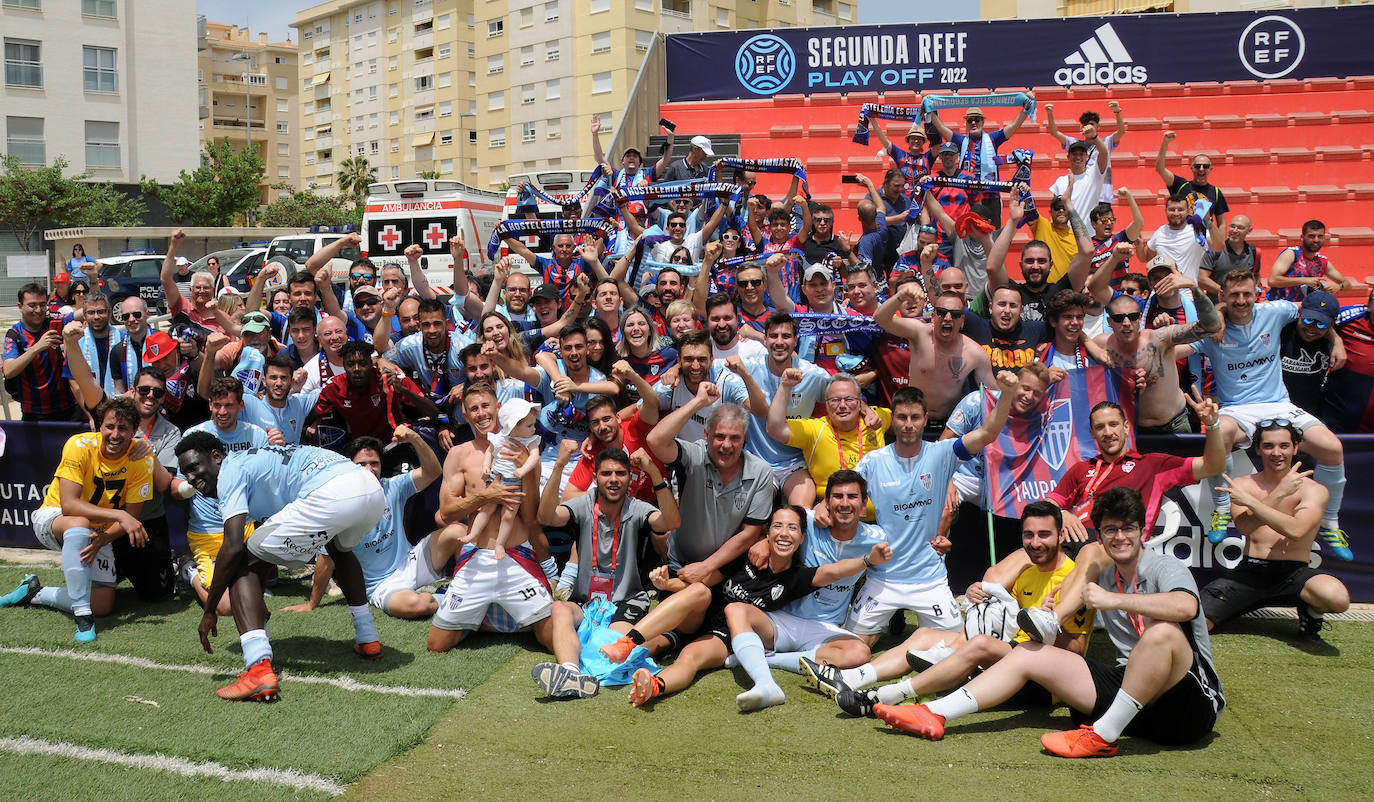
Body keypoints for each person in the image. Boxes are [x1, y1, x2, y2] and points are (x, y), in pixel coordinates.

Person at [874, 487, 1225, 759]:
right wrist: (1052, 606)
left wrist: (1115, 600)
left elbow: (1186, 605)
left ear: (1142, 532)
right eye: (1110, 529)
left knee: (1162, 632)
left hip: (1186, 708)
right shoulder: (1102, 572)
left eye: (1128, 528)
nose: (1120, 537)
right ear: (1100, 535)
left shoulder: (1164, 567)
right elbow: (1071, 565)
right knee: (1029, 651)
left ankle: (1102, 737)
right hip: (1130, 699)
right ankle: (933, 712)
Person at [601, 504, 891, 711]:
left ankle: (653, 687)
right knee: (700, 592)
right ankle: (628, 642)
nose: (784, 533)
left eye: (792, 528)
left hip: (721, 635)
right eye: (777, 526)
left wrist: (867, 561)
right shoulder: (747, 557)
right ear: (767, 533)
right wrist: (667, 586)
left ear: (802, 538)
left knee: (690, 658)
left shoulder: (797, 577)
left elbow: (836, 571)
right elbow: (703, 583)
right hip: (694, 613)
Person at [826, 500, 1093, 717]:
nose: (1035, 543)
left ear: (1060, 535)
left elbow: (1077, 649)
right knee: (925, 635)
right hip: (1006, 658)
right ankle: (851, 677)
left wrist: (1045, 628)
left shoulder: (1072, 579)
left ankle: (888, 695)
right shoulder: (1027, 572)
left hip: (1043, 682)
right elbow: (1004, 616)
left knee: (980, 644)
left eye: (1044, 535)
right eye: (1029, 535)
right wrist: (979, 595)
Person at [176, 434, 388, 701]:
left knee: (239, 563)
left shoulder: (231, 472)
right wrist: (254, 595)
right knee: (340, 549)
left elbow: (232, 548)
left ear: (217, 456)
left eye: (194, 468)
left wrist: (209, 610)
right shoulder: (254, 464)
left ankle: (258, 670)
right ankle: (368, 639)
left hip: (333, 492)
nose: (192, 479)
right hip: (369, 490)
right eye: (186, 473)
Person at [837, 378, 1019, 644]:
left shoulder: (942, 453)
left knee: (955, 648)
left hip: (929, 578)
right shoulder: (873, 462)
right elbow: (842, 493)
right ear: (893, 420)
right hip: (885, 577)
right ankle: (890, 614)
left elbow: (987, 433)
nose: (908, 424)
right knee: (854, 648)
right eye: (901, 417)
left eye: (914, 417)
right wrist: (820, 508)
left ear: (925, 419)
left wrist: (1009, 393)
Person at [1188, 270, 1350, 560]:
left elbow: (1315, 310)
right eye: (1234, 295)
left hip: (1278, 403)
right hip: (1237, 409)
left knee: (1332, 448)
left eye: (1247, 294)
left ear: (1257, 294)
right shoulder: (1211, 329)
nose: (1241, 300)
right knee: (1219, 433)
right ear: (1222, 296)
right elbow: (1175, 347)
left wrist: (1335, 339)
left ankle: (1330, 521)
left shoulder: (1275, 311)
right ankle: (1222, 508)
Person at [2, 398, 152, 642]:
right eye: (109, 426)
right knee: (79, 522)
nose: (115, 434)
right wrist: (118, 514)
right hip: (54, 518)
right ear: (98, 426)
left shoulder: (142, 460)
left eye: (123, 428)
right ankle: (83, 618)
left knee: (103, 605)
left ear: (134, 432)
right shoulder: (79, 445)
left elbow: (132, 517)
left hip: (97, 531)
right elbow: (69, 505)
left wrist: (103, 539)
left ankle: (35, 592)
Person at [1203, 421, 1350, 640]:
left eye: (1284, 445)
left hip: (1294, 573)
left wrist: (1254, 504)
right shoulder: (1243, 485)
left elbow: (1296, 530)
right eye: (1269, 446)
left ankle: (1311, 612)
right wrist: (1280, 494)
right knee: (1195, 622)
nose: (1277, 453)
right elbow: (1245, 526)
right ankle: (1235, 607)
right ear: (1259, 449)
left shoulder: (1315, 490)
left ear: (1295, 448)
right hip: (1249, 573)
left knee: (1337, 598)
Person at [283, 426, 446, 620]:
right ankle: (449, 596)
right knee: (415, 605)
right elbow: (326, 559)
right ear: (348, 467)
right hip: (382, 585)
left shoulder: (392, 486)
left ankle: (470, 586)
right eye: (362, 464)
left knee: (455, 532)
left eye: (374, 463)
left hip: (411, 562)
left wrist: (415, 439)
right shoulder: (339, 506)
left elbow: (433, 471)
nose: (369, 470)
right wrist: (312, 603)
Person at [539, 444, 680, 652]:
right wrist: (559, 464)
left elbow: (671, 522)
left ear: (629, 478)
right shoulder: (584, 504)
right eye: (606, 473)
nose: (613, 479)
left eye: (620, 473)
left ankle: (659, 641)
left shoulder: (637, 508)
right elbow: (546, 517)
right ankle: (570, 672)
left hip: (627, 600)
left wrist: (653, 471)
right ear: (595, 479)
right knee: (558, 610)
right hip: (585, 601)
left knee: (609, 643)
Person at [1045, 398, 1226, 544]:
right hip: (1069, 543)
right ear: (1092, 433)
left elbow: (1213, 466)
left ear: (1125, 427)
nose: (1108, 432)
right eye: (1100, 427)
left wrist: (1212, 426)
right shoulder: (1081, 469)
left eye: (1113, 424)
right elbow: (1048, 504)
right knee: (1022, 556)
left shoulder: (1152, 465)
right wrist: (1061, 514)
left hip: (1115, 547)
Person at [648, 394, 777, 586]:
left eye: (735, 438)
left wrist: (706, 567)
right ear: (706, 435)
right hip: (679, 565)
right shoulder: (693, 455)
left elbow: (749, 534)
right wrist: (698, 401)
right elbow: (655, 440)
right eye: (719, 436)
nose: (727, 445)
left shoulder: (760, 472)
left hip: (723, 571)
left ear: (744, 439)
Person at [1088, 258, 1222, 432]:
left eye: (1133, 317)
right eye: (1119, 318)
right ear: (1109, 321)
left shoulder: (1161, 336)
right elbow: (1074, 336)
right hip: (1130, 427)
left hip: (1175, 424)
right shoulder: (1100, 343)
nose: (1127, 323)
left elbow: (1212, 326)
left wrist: (1193, 287)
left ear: (1139, 317)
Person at [875, 285, 996, 434]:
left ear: (962, 320)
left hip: (950, 427)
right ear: (933, 316)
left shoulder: (975, 353)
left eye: (955, 314)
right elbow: (880, 318)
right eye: (942, 312)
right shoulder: (919, 333)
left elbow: (993, 396)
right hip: (913, 423)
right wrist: (901, 295)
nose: (948, 318)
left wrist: (1009, 388)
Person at [767, 372, 890, 502]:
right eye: (835, 400)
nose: (842, 405)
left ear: (860, 403)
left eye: (849, 399)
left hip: (880, 517)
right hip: (831, 515)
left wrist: (868, 411)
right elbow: (775, 428)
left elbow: (907, 417)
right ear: (826, 405)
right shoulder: (816, 430)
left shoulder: (876, 419)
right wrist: (785, 387)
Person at [312, 340, 439, 444]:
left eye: (362, 363)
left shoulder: (390, 378)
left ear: (371, 364)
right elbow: (313, 412)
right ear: (343, 365)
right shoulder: (334, 387)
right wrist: (314, 424)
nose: (356, 369)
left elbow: (434, 412)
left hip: (395, 445)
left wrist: (402, 390)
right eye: (350, 364)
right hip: (360, 450)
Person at [929, 102, 1033, 222]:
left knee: (993, 234)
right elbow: (941, 127)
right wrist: (930, 111)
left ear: (982, 123)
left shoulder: (993, 138)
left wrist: (1025, 110)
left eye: (977, 120)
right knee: (970, 234)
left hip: (991, 196)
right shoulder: (961, 141)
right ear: (966, 124)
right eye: (970, 120)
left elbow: (1014, 126)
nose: (973, 123)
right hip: (969, 196)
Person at [466, 399, 542, 560]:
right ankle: (473, 534)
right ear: (513, 425)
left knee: (508, 515)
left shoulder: (530, 440)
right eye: (529, 426)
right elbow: (489, 451)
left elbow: (534, 457)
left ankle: (500, 543)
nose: (534, 428)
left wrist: (523, 469)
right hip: (496, 479)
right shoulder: (500, 437)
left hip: (515, 484)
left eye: (533, 424)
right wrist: (485, 467)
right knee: (486, 509)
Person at [5, 282, 81, 422]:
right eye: (32, 305)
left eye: (42, 304)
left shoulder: (52, 322)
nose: (39, 310)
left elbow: (84, 312)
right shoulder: (14, 334)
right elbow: (8, 370)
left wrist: (93, 280)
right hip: (34, 413)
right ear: (20, 307)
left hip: (68, 409)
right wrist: (37, 347)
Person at [1045, 102, 1126, 203]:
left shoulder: (1106, 142)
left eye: (1091, 124)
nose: (1088, 127)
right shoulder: (1075, 144)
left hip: (1102, 196)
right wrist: (1049, 113)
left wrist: (1117, 112)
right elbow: (1054, 132)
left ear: (1098, 127)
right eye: (1086, 125)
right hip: (1083, 195)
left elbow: (1121, 131)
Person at [1321, 286, 1374, 433]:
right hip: (1338, 421)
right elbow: (1314, 316)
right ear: (1369, 305)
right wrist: (1336, 339)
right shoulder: (1350, 316)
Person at [1279, 291, 1341, 415]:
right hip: (1276, 409)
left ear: (1331, 324)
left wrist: (1337, 340)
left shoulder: (1336, 338)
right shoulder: (1280, 330)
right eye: (1308, 320)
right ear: (1300, 313)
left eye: (1321, 324)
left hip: (1309, 413)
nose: (1312, 328)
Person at [1266, 220, 1357, 302]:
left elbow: (1347, 285)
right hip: (1279, 305)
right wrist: (1304, 280)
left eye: (1320, 236)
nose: (1316, 240)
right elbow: (1272, 280)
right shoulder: (1292, 254)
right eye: (1311, 236)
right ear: (1302, 237)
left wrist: (1338, 287)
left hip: (1304, 310)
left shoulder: (1322, 261)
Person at [63, 291, 126, 410]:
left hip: (121, 409)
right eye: (91, 312)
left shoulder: (124, 340)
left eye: (101, 311)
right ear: (84, 316)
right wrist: (91, 416)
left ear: (109, 312)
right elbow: (74, 384)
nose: (96, 317)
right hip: (87, 411)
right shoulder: (77, 343)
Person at [1139, 194, 1223, 283]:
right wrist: (1139, 245)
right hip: (1163, 291)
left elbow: (1219, 247)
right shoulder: (1160, 232)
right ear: (1166, 211)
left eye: (1180, 210)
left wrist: (1208, 221)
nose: (1176, 213)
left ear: (1188, 211)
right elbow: (1145, 257)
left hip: (1188, 292)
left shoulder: (1197, 230)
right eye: (1172, 210)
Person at [1154, 132, 1228, 225]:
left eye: (1205, 166)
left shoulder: (1216, 192)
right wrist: (1165, 143)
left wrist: (1222, 239)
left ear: (1210, 169)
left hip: (1203, 238)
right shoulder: (1181, 185)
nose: (1201, 169)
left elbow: (1222, 223)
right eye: (1197, 166)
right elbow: (1160, 169)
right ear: (1192, 168)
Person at [1048, 138, 1110, 221]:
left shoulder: (1094, 175)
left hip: (1088, 232)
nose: (1078, 157)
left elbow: (1104, 153)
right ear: (1068, 157)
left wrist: (1095, 137)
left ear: (1087, 157)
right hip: (1066, 232)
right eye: (1075, 154)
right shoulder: (1060, 181)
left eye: (1081, 154)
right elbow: (1054, 209)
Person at [1200, 214, 1258, 296]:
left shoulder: (1253, 252)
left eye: (1240, 228)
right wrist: (1227, 293)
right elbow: (1201, 279)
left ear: (1249, 230)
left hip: (1242, 305)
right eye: (1232, 226)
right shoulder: (1215, 250)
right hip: (1217, 305)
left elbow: (1255, 275)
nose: (1235, 230)